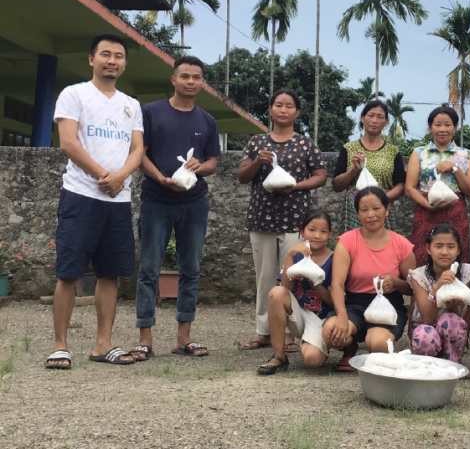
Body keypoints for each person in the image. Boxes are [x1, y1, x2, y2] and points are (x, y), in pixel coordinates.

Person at [45, 34, 144, 369]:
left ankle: (104, 344)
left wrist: (121, 178)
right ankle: (60, 345)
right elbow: (69, 142)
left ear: (124, 63)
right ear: (92, 59)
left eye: (118, 56)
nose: (112, 61)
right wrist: (106, 175)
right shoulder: (74, 94)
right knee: (68, 272)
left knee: (110, 274)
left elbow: (138, 150)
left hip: (118, 200)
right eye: (105, 54)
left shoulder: (131, 104)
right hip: (81, 194)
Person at [129, 56, 220, 361]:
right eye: (185, 76)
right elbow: (139, 153)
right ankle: (145, 338)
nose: (191, 81)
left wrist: (200, 167)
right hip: (156, 199)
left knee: (191, 269)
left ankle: (184, 338)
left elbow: (213, 162)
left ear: (202, 82)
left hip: (194, 202)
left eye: (197, 77)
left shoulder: (207, 121)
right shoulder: (151, 113)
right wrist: (159, 178)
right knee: (148, 269)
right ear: (173, 79)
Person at [237, 89, 327, 351]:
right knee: (265, 278)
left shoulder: (305, 144)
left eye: (289, 106)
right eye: (279, 105)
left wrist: (296, 186)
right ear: (270, 109)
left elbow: (321, 175)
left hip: (296, 221)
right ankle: (264, 331)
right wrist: (257, 162)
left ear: (297, 112)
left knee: (294, 276)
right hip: (262, 219)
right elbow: (242, 176)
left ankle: (290, 333)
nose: (283, 110)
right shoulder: (257, 142)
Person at [323, 187, 415, 371]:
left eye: (376, 208)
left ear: (386, 210)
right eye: (364, 210)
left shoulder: (402, 244)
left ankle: (374, 352)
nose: (371, 214)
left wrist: (396, 283)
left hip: (388, 307)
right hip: (354, 304)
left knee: (379, 343)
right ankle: (349, 348)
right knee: (331, 331)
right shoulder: (348, 241)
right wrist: (341, 316)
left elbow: (414, 287)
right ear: (357, 214)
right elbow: (337, 284)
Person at [258, 211, 334, 375]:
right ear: (302, 231)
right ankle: (279, 356)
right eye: (312, 229)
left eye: (323, 231)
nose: (317, 235)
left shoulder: (334, 259)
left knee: (312, 361)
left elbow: (333, 302)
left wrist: (315, 282)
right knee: (276, 293)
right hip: (299, 314)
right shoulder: (296, 254)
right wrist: (290, 255)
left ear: (330, 234)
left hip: (322, 318)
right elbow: (284, 289)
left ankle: (318, 344)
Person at [405, 106, 470, 266]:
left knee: (456, 256)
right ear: (430, 127)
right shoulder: (419, 153)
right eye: (438, 125)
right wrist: (427, 205)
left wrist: (454, 169)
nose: (442, 129)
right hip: (426, 210)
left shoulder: (465, 155)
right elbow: (410, 188)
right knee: (423, 255)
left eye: (447, 125)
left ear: (455, 127)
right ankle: (422, 290)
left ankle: (456, 290)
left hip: (455, 211)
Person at [332, 100, 405, 231]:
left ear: (386, 122)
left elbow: (400, 185)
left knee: (382, 247)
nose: (374, 120)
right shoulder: (349, 148)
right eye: (370, 115)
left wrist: (381, 199)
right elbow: (337, 185)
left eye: (380, 117)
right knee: (354, 248)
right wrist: (353, 170)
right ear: (362, 118)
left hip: (382, 207)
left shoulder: (393, 151)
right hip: (355, 208)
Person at [409, 223, 470, 362]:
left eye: (451, 247)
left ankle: (451, 362)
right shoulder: (418, 276)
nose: (444, 252)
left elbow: (461, 312)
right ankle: (427, 365)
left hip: (450, 327)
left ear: (458, 250)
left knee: (451, 321)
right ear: (428, 249)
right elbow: (427, 318)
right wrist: (437, 286)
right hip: (425, 327)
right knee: (424, 335)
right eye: (438, 246)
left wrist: (453, 305)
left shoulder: (466, 273)